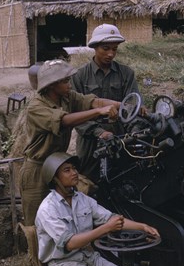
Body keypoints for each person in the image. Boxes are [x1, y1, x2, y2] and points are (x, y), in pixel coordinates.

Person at [35, 152, 172, 266]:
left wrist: (142, 227)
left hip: (89, 258)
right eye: (67, 170)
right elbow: (69, 244)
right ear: (54, 178)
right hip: (64, 265)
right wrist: (105, 229)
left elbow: (111, 219)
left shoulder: (82, 199)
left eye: (74, 168)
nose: (74, 173)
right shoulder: (48, 209)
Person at [19, 59, 120, 226]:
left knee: (79, 204)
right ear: (51, 85)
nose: (70, 84)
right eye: (65, 81)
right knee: (36, 222)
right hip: (37, 169)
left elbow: (95, 101)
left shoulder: (66, 98)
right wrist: (98, 112)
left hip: (58, 166)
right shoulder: (36, 107)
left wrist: (125, 106)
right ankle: (37, 252)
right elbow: (64, 120)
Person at [71, 24, 141, 182]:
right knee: (88, 183)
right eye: (105, 48)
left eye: (114, 49)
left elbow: (132, 107)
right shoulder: (79, 76)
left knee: (123, 180)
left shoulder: (126, 74)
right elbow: (74, 113)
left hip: (120, 137)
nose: (110, 54)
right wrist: (99, 133)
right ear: (95, 47)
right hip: (89, 142)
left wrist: (134, 130)